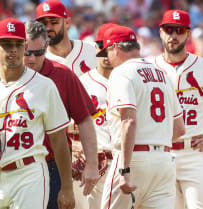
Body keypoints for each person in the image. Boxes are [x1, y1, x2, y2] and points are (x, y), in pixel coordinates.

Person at [0, 17, 74, 209]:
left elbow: (59, 139)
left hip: (29, 173)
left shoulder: (44, 86)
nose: (13, 50)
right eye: (7, 44)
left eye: (18, 44)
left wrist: (66, 187)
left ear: (25, 46)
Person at [149, 10, 203, 209]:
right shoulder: (148, 68)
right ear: (161, 32)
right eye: (169, 29)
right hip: (160, 154)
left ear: (188, 34)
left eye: (179, 30)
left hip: (193, 153)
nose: (173, 35)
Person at [98, 25, 185, 209]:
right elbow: (179, 129)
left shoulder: (121, 73)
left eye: (107, 51)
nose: (107, 57)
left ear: (116, 48)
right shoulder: (163, 74)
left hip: (133, 159)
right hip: (163, 161)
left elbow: (129, 121)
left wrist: (125, 168)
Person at [23, 20, 98, 209]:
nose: (31, 58)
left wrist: (92, 163)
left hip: (53, 165)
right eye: (26, 52)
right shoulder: (7, 77)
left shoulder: (62, 75)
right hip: (17, 165)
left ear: (46, 47)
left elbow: (85, 119)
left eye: (38, 52)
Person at [78, 22, 115, 209]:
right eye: (102, 47)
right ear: (96, 48)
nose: (106, 53)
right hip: (94, 163)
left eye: (112, 47)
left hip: (126, 162)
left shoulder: (132, 81)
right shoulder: (82, 83)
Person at [35, 0, 97, 76]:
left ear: (67, 22)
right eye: (43, 24)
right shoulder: (39, 62)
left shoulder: (93, 49)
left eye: (53, 22)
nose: (48, 28)